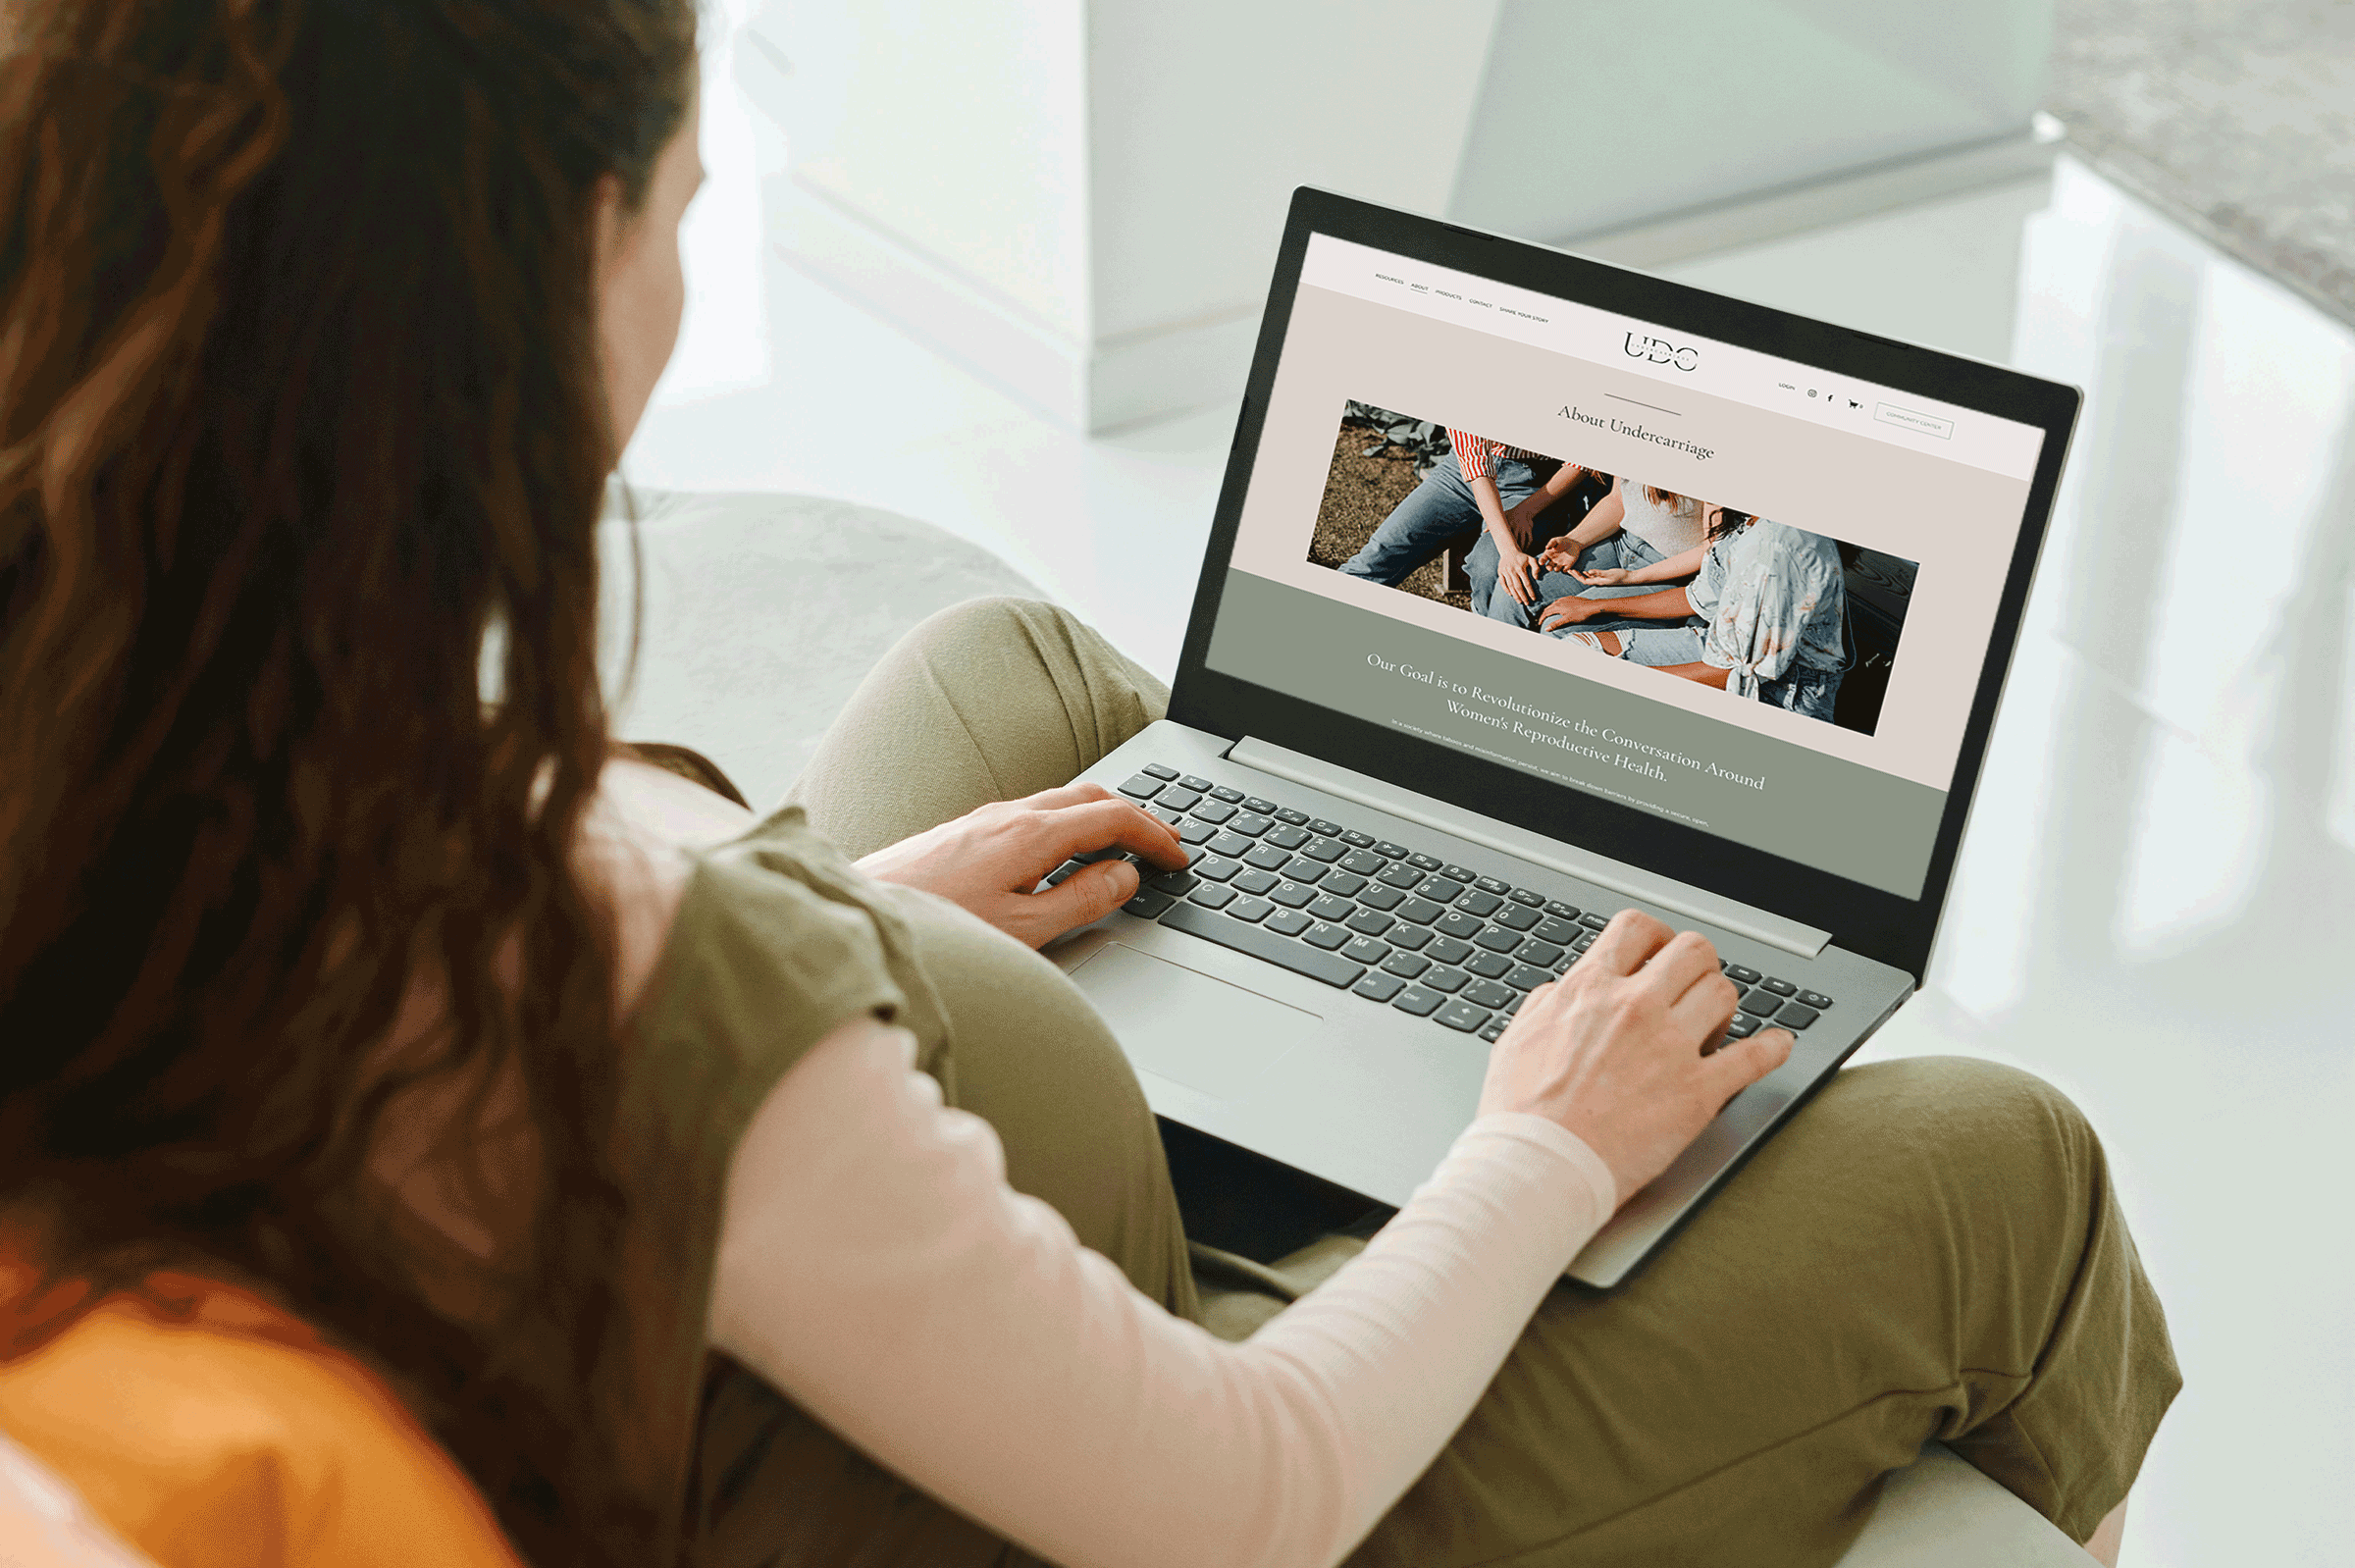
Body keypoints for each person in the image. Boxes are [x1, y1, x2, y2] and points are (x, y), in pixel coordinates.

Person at [0, 5, 2176, 1568]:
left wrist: (880, 911)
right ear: (557, 273)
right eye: (678, 207)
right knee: (2002, 1156)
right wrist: (1529, 1149)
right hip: (1125, 1433)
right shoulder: (616, 960)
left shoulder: (133, 721)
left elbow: (592, 1071)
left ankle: (1344, 962)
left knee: (1014, 669)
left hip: (822, 1217)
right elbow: (1246, 1493)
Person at [1539, 508, 1853, 720]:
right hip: (1718, 647)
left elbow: (1737, 673)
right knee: (1576, 649)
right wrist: (1597, 605)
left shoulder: (1775, 551)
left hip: (1780, 692)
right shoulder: (1746, 522)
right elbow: (1698, 596)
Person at [1335, 428, 1563, 607]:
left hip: (1536, 483)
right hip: (1462, 471)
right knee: (1380, 553)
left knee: (1489, 569)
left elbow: (1581, 463)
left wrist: (1527, 510)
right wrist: (1509, 550)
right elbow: (1477, 470)